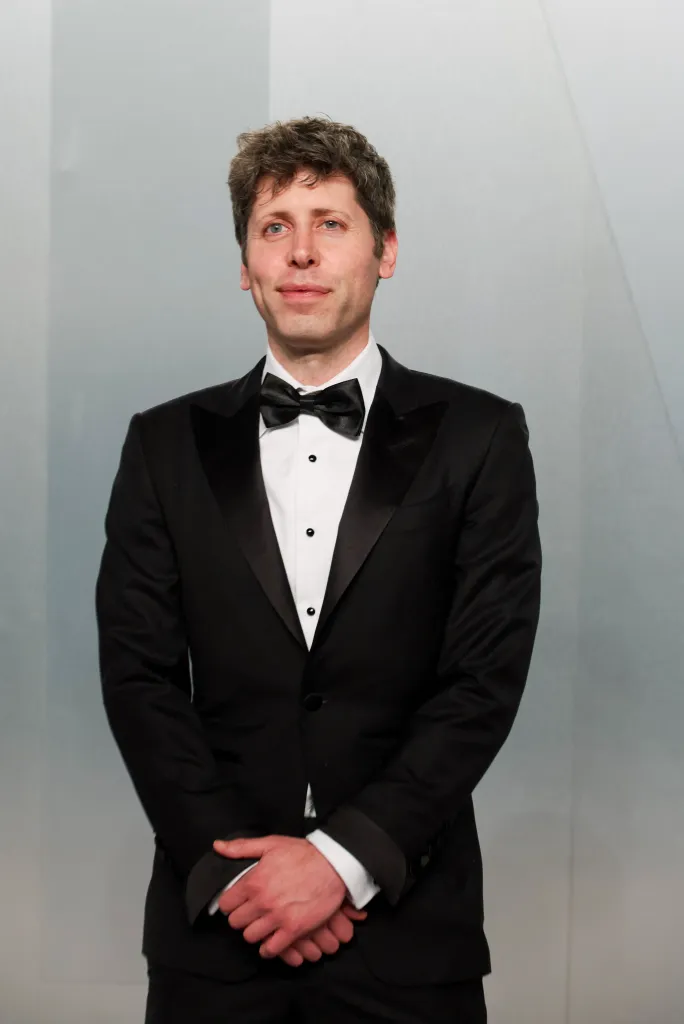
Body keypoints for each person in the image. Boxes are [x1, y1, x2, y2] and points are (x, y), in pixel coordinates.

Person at [95, 115, 542, 1024]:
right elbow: (139, 678)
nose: (301, 253)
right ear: (246, 265)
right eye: (274, 228)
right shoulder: (161, 445)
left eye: (330, 224)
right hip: (220, 930)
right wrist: (236, 876)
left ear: (385, 252)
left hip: (411, 929)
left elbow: (482, 680)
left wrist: (341, 861)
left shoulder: (482, 437)